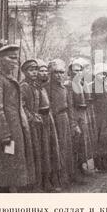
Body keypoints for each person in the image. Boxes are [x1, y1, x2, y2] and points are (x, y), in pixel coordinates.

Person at [0, 44, 35, 193]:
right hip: (5, 134)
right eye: (11, 58)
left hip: (15, 130)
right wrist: (5, 135)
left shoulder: (9, 77)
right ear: (1, 59)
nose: (15, 61)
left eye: (16, 58)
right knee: (6, 168)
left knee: (11, 168)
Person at [20, 59, 51, 192]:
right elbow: (21, 106)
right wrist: (32, 116)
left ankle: (41, 182)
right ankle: (32, 185)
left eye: (35, 70)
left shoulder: (35, 86)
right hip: (29, 125)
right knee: (32, 154)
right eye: (31, 70)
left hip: (38, 123)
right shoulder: (23, 86)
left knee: (41, 153)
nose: (34, 73)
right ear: (25, 72)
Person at [48, 59, 76, 186]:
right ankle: (56, 178)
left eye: (61, 72)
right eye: (55, 72)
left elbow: (69, 106)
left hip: (64, 119)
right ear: (50, 73)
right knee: (56, 149)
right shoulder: (47, 88)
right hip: (54, 120)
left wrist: (73, 123)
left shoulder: (64, 88)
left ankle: (67, 176)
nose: (59, 75)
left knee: (67, 148)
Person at [36, 59, 63, 190]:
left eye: (46, 70)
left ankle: (53, 178)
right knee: (44, 152)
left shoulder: (43, 87)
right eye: (41, 70)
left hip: (49, 121)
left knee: (52, 150)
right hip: (39, 123)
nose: (44, 73)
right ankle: (44, 181)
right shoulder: (34, 87)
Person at [67, 61, 93, 178]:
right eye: (75, 70)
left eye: (80, 70)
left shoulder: (82, 84)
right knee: (75, 143)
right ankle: (75, 170)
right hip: (74, 116)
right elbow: (70, 104)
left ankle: (82, 166)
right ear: (70, 72)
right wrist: (73, 122)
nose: (78, 73)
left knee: (83, 142)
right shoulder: (68, 85)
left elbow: (87, 100)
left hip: (83, 115)